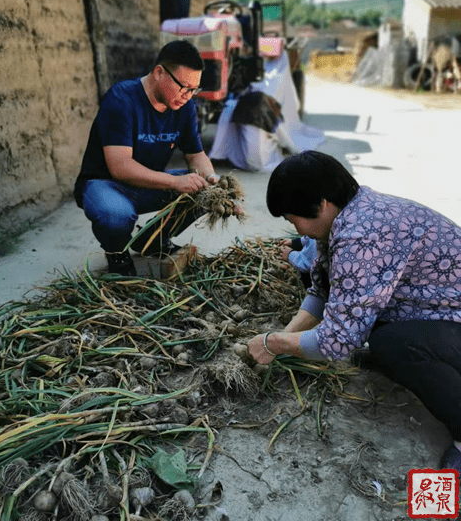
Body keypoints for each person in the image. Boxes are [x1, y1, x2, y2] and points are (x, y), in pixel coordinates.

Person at [247, 150, 461, 471]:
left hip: (454, 317)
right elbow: (324, 291)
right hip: (433, 304)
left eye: (294, 220)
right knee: (372, 331)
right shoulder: (345, 213)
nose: (299, 232)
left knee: (393, 345)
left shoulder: (361, 236)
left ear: (321, 204)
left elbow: (337, 342)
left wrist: (273, 343)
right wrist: (284, 339)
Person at [74, 40, 218, 276]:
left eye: (194, 89)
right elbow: (120, 167)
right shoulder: (121, 99)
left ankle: (153, 240)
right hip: (107, 185)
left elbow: (196, 155)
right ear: (159, 73)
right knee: (115, 215)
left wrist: (215, 184)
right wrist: (173, 182)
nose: (187, 96)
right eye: (183, 87)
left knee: (204, 191)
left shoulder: (184, 106)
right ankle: (117, 252)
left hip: (146, 183)